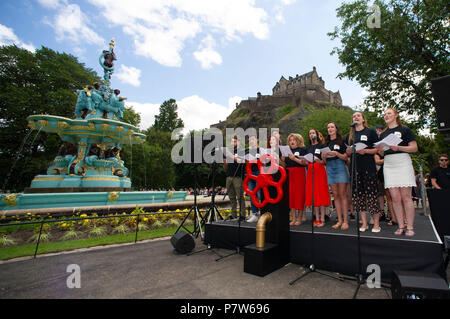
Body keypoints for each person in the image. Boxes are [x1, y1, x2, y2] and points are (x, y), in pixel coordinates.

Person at [377, 108, 418, 237]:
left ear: (396, 115)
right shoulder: (383, 134)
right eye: (384, 114)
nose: (386, 115)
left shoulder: (404, 130)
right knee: (395, 197)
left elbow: (414, 148)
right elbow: (382, 152)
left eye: (389, 113)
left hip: (402, 161)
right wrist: (380, 149)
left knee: (406, 197)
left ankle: (410, 226)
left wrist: (399, 147)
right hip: (389, 164)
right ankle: (400, 225)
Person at [346, 111, 381, 233]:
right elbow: (347, 152)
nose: (355, 117)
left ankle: (376, 223)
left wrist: (365, 151)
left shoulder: (370, 132)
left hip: (368, 168)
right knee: (358, 197)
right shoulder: (350, 135)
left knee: (371, 196)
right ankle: (364, 223)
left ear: (363, 119)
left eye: (358, 116)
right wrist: (349, 152)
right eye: (354, 116)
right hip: (355, 169)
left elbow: (377, 149)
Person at [323, 122, 350, 230]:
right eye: (328, 127)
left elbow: (346, 158)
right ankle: (339, 220)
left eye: (332, 127)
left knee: (342, 194)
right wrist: (324, 156)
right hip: (329, 167)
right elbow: (324, 161)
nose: (330, 129)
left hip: (340, 166)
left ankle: (346, 221)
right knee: (335, 195)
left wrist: (337, 154)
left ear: (336, 129)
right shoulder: (326, 143)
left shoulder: (342, 141)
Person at [305, 129, 330, 227]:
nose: (312, 135)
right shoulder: (308, 148)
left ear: (317, 135)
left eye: (313, 133)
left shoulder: (322, 146)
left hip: (320, 169)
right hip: (311, 170)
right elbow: (306, 161)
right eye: (310, 133)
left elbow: (325, 161)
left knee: (321, 193)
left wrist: (322, 160)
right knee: (314, 194)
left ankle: (323, 218)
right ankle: (317, 218)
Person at [282, 133, 308, 226]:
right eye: (290, 140)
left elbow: (305, 163)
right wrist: (282, 160)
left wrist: (294, 158)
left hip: (299, 173)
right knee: (291, 197)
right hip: (289, 173)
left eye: (294, 140)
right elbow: (284, 166)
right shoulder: (286, 151)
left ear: (299, 141)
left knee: (299, 196)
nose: (292, 142)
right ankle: (293, 219)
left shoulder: (303, 149)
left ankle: (300, 218)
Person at [223, 135, 246, 219]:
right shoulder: (229, 152)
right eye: (232, 142)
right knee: (231, 197)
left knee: (239, 196)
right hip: (229, 176)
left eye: (234, 141)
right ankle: (233, 214)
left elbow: (242, 161)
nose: (233, 143)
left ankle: (242, 214)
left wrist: (231, 156)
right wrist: (224, 161)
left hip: (237, 177)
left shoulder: (241, 151)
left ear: (238, 142)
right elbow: (226, 167)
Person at [245, 135, 262, 223]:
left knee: (260, 194)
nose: (251, 141)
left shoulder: (261, 150)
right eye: (249, 140)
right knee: (252, 194)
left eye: (252, 139)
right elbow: (247, 163)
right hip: (250, 174)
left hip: (259, 173)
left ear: (257, 140)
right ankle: (255, 213)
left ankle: (262, 213)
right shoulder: (248, 151)